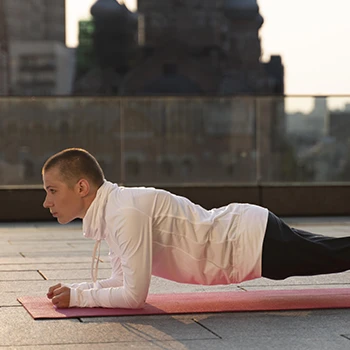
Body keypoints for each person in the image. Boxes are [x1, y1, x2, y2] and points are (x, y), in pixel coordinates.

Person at [43, 148, 350, 309]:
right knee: (335, 250)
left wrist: (81, 298)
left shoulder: (123, 212)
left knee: (336, 255)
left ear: (82, 187)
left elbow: (134, 296)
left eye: (52, 190)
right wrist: (77, 291)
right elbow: (121, 280)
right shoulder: (115, 209)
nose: (47, 202)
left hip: (247, 242)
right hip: (248, 233)